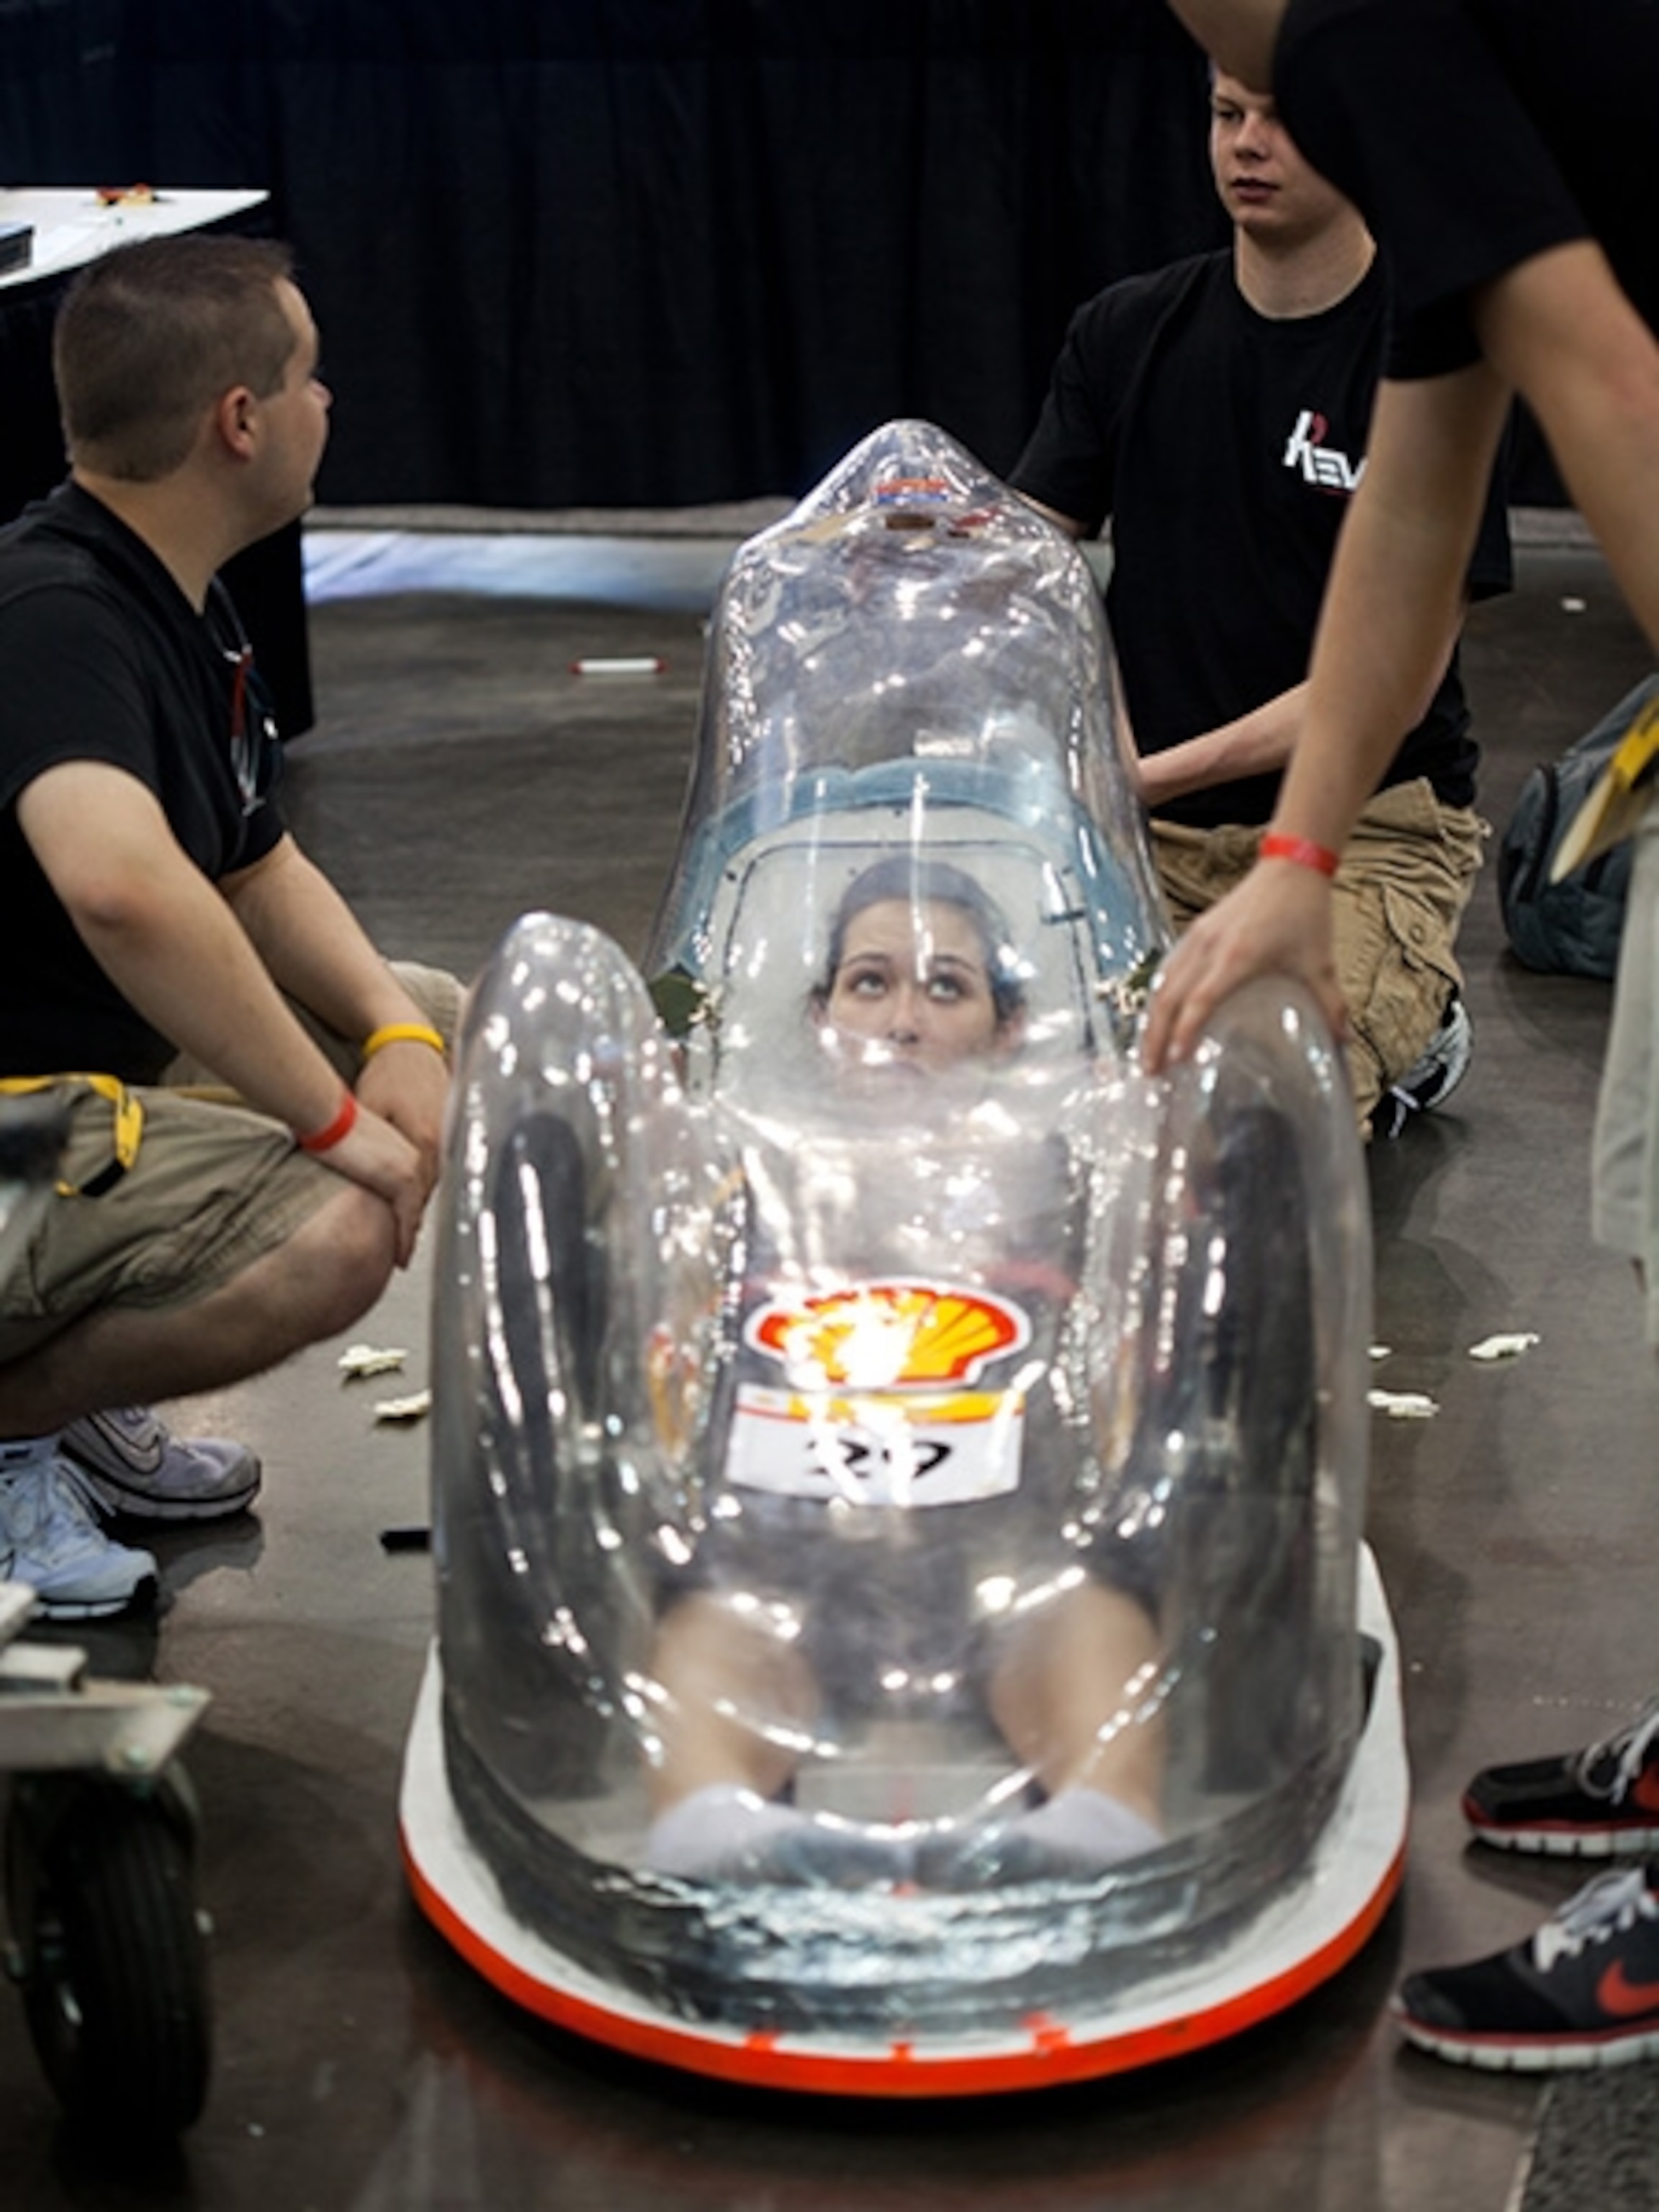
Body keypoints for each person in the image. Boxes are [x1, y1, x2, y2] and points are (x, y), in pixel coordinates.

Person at [1137, 0, 1659, 2067]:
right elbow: (1421, 486)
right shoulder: (1407, 55)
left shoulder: (1383, 24)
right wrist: (1295, 848)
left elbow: (1605, 376)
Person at [0, 235, 460, 1622]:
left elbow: (257, 868)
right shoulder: (52, 612)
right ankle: (13, 1430)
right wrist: (332, 1123)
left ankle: (61, 1402)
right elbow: (122, 885)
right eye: (311, 378)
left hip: (60, 1107)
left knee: (436, 1005)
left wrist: (394, 1036)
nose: (331, 407)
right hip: (19, 1129)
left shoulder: (175, 601)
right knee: (331, 1226)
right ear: (240, 421)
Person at [644, 859, 1169, 1886]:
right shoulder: (746, 1178)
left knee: (1083, 1613)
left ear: (1009, 1027)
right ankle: (712, 1834)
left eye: (947, 987)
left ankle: (1101, 1830)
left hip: (1013, 1549)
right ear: (822, 1013)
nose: (903, 1020)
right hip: (786, 1550)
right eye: (871, 982)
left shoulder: (1070, 1174)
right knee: (717, 1622)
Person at [1012, 68, 1510, 1132]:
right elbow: (1022, 576)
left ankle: (1416, 1025)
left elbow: (1393, 683)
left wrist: (1134, 777)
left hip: (1364, 833)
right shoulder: (1126, 331)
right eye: (1227, 114)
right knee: (997, 1075)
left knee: (1250, 1116)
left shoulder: (1434, 360)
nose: (1248, 143)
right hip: (1149, 840)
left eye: (1286, 115)